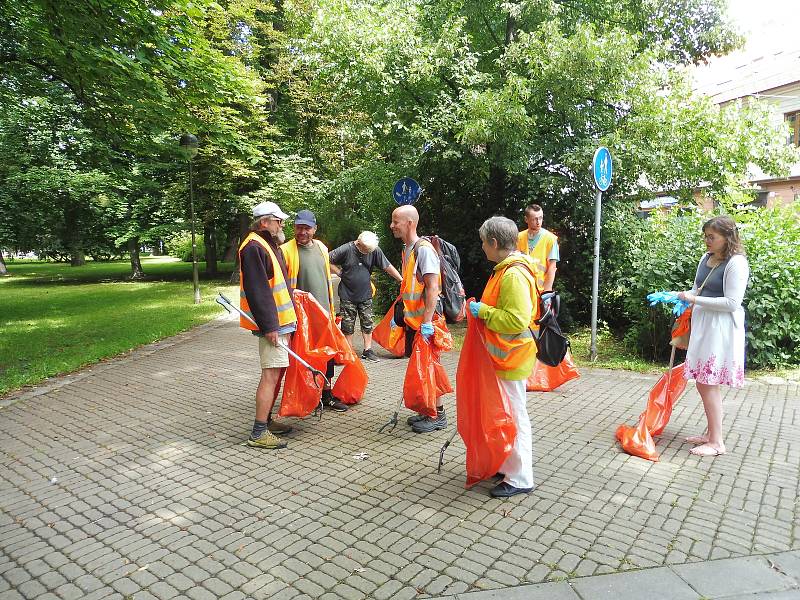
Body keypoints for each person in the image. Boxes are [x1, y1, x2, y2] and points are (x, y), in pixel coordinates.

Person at [469, 216, 538, 497]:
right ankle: (508, 465)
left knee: (514, 416)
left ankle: (520, 477)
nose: (482, 247)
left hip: (512, 357)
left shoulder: (513, 274)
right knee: (507, 413)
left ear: (494, 243)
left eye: (484, 242)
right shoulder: (507, 270)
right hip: (507, 357)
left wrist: (483, 312)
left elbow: (517, 320)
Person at [677, 216, 749, 457]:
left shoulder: (736, 263)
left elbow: (731, 303)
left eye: (712, 237)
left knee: (707, 383)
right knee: (704, 382)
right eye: (705, 235)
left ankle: (717, 442)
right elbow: (698, 289)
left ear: (727, 238)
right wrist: (678, 296)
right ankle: (710, 434)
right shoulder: (706, 259)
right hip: (704, 324)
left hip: (721, 329)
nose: (707, 240)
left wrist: (694, 299)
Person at [238, 201, 297, 449]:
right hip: (274, 325)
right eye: (277, 220)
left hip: (281, 322)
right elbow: (258, 291)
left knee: (277, 372)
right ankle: (259, 432)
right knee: (271, 374)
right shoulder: (253, 247)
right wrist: (270, 326)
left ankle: (267, 421)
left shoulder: (267, 244)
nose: (281, 224)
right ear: (264, 222)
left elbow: (277, 283)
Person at [280, 209, 348, 412]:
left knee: (326, 356)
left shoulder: (321, 248)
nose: (302, 232)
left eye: (307, 228)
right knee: (303, 357)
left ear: (315, 229)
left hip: (324, 313)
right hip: (300, 316)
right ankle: (306, 396)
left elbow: (325, 279)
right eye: (299, 227)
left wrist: (332, 309)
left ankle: (327, 395)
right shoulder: (285, 250)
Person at [389, 205, 445, 433]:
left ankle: (438, 415)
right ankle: (427, 410)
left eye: (396, 221)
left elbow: (433, 288)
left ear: (410, 223)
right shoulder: (409, 249)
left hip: (427, 322)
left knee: (431, 367)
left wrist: (428, 322)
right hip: (416, 322)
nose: (392, 225)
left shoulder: (424, 250)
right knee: (422, 367)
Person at [329, 231, 402, 362]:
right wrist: (339, 272)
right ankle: (348, 350)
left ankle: (367, 350)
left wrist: (401, 280)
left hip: (366, 294)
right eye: (366, 250)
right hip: (347, 294)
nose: (369, 252)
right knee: (347, 323)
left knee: (367, 322)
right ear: (359, 243)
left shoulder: (374, 249)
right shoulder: (346, 249)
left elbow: (387, 266)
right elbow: (326, 259)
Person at [516, 204, 559, 323]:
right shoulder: (518, 238)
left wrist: (547, 294)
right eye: (534, 219)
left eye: (540, 218)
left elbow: (552, 267)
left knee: (537, 325)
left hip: (540, 291)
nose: (538, 221)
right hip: (521, 288)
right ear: (526, 219)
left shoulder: (550, 239)